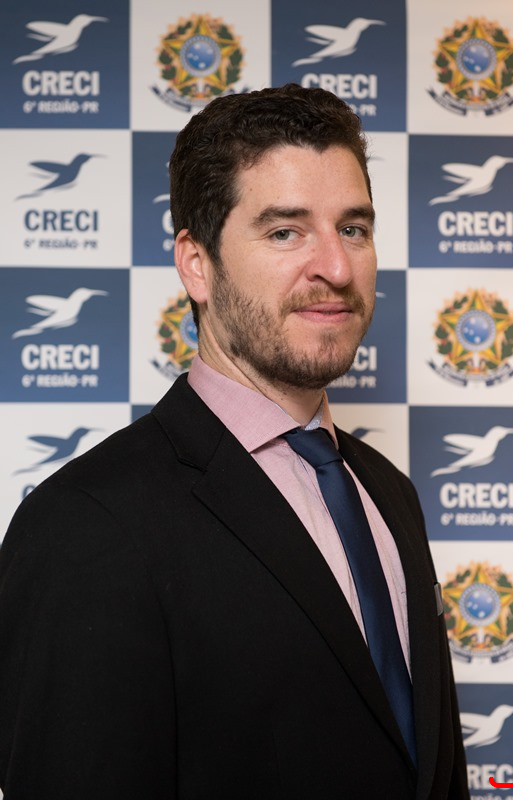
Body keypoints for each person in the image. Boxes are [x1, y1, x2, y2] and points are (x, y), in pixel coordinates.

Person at [0, 84, 468, 799]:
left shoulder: (388, 493)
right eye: (285, 232)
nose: (337, 268)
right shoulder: (86, 526)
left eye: (353, 228)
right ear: (197, 263)